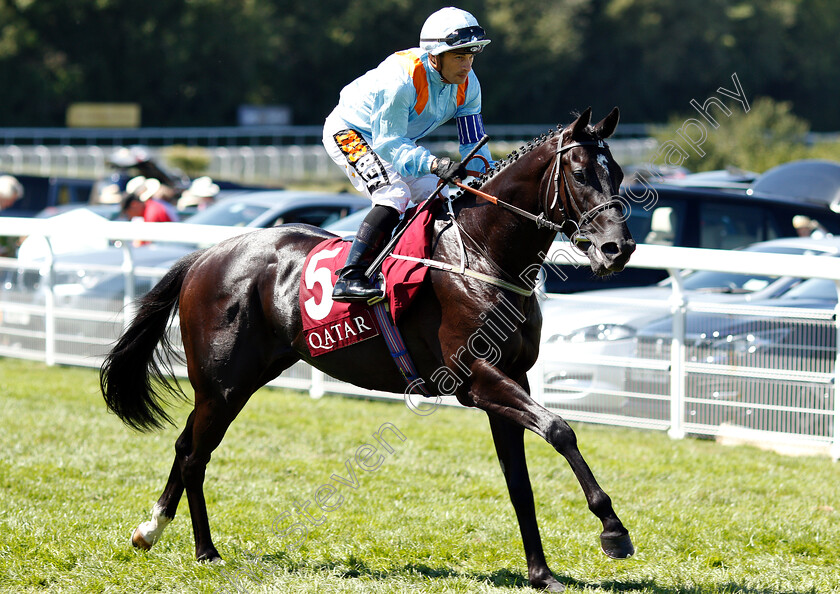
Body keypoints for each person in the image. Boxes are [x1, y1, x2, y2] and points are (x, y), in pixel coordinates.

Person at [322, 6, 493, 301]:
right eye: (459, 56)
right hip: (350, 132)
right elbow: (388, 144)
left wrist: (487, 178)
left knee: (435, 196)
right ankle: (351, 276)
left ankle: (412, 265)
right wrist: (435, 163)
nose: (467, 66)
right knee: (393, 194)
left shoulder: (469, 84)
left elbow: (474, 144)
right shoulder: (400, 80)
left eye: (471, 56)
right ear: (434, 56)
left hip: (394, 139)